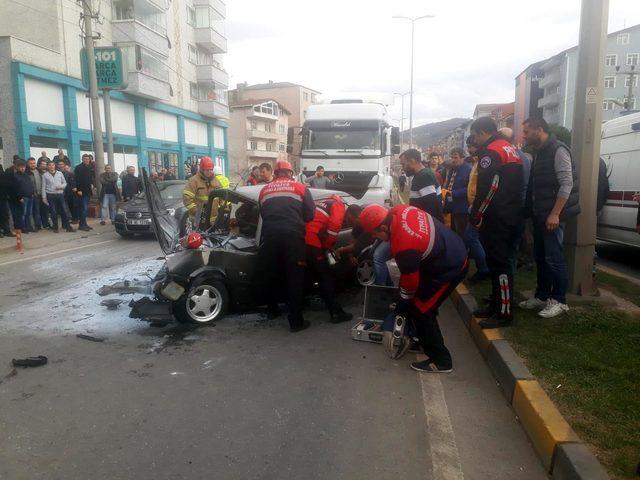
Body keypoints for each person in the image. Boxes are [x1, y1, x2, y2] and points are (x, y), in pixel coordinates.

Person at [358, 204, 468, 373]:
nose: (375, 238)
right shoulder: (399, 210)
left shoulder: (404, 245)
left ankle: (441, 361)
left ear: (383, 227)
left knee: (422, 310)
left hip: (450, 267)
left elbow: (409, 286)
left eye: (375, 234)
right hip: (446, 250)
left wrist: (401, 307)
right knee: (420, 304)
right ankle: (423, 338)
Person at [519, 117, 580, 318]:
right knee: (541, 258)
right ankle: (543, 296)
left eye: (527, 131)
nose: (524, 135)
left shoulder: (558, 150)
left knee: (554, 259)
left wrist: (555, 214)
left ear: (540, 129)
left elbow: (566, 183)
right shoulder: (541, 151)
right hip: (541, 214)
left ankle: (560, 300)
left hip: (552, 216)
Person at [468, 116, 523, 329]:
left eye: (474, 136)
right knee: (497, 262)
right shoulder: (509, 148)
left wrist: (477, 215)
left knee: (499, 265)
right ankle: (496, 304)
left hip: (497, 217)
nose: (474, 140)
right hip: (510, 213)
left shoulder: (490, 152)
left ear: (482, 132)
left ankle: (504, 312)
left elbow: (488, 188)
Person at [257, 160, 315, 332]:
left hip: (270, 237)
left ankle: (272, 310)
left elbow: (263, 213)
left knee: (272, 273)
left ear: (275, 173)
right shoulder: (301, 188)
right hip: (293, 238)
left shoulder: (264, 190)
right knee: (295, 276)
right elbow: (310, 214)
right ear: (290, 173)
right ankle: (296, 321)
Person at [304, 194, 353, 323]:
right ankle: (336, 313)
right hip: (311, 240)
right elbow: (334, 227)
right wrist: (328, 246)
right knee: (325, 276)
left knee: (306, 272)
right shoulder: (339, 204)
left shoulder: (322, 201)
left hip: (298, 238)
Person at [463, 138, 490, 283]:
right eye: (468, 147)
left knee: (470, 238)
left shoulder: (483, 163)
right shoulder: (476, 163)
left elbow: (483, 186)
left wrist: (476, 207)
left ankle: (484, 269)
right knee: (470, 238)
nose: (469, 150)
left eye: (471, 147)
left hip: (478, 207)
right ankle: (468, 265)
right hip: (473, 206)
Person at [401, 149, 443, 221]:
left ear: (412, 161)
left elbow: (432, 208)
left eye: (403, 164)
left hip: (430, 226)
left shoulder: (424, 176)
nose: (402, 168)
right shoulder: (420, 175)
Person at [182, 156, 221, 228]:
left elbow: (221, 196)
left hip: (213, 221)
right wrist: (198, 211)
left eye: (211, 170)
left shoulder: (216, 181)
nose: (209, 172)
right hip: (198, 221)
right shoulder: (194, 181)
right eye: (207, 170)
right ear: (202, 169)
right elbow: (186, 198)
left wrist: (224, 208)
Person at [443, 147, 472, 235]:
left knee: (461, 233)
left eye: (455, 157)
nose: (453, 160)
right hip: (451, 206)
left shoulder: (469, 169)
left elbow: (469, 189)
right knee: (453, 232)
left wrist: (453, 193)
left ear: (462, 157)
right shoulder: (452, 169)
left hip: (462, 208)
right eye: (452, 157)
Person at [43, 161, 74, 233]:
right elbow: (43, 186)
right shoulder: (45, 175)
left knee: (64, 210)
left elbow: (65, 183)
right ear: (47, 166)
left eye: (52, 165)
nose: (51, 166)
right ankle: (55, 227)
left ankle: (68, 227)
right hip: (50, 195)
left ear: (55, 166)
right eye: (49, 165)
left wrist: (61, 187)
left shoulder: (59, 173)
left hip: (60, 194)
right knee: (53, 211)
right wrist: (44, 198)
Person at [9, 159, 34, 234]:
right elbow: (15, 188)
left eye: (24, 167)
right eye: (21, 167)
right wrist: (20, 197)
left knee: (29, 213)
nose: (23, 168)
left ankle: (28, 226)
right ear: (17, 167)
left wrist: (32, 193)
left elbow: (30, 185)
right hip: (23, 198)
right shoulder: (15, 176)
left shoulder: (26, 175)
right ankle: (23, 228)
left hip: (30, 197)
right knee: (23, 213)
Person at [74, 154, 94, 231]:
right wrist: (79, 190)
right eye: (85, 159)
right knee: (83, 208)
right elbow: (77, 179)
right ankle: (81, 225)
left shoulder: (89, 167)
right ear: (82, 159)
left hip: (88, 191)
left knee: (85, 209)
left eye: (88, 159)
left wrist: (92, 184)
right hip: (81, 191)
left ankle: (84, 224)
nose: (87, 160)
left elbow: (90, 177)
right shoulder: (78, 168)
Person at [26, 158, 42, 231]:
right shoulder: (26, 172)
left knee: (37, 211)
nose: (33, 165)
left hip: (38, 195)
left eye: (34, 163)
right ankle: (29, 227)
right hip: (29, 195)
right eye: (31, 163)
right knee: (29, 212)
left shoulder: (39, 171)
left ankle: (38, 225)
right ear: (28, 164)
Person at [36, 159, 51, 229]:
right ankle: (40, 224)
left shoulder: (49, 172)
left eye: (45, 164)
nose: (44, 165)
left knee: (46, 210)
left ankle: (46, 224)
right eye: (43, 164)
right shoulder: (37, 172)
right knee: (39, 210)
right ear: (39, 165)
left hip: (47, 193)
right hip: (39, 194)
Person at [0, 164, 14, 237]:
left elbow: (6, 184)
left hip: (3, 197)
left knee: (5, 215)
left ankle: (7, 230)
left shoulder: (1, 170)